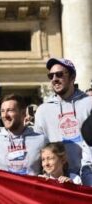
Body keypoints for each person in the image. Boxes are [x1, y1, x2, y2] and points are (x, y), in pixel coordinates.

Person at [34, 57, 92, 186]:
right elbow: (39, 148)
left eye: (59, 74)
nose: (54, 79)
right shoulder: (43, 110)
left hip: (88, 177)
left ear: (72, 77)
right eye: (51, 76)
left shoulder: (89, 103)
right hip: (58, 181)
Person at [0, 94, 47, 175]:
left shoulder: (41, 141)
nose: (5, 115)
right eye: (2, 111)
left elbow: (49, 173)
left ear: (23, 113)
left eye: (10, 110)